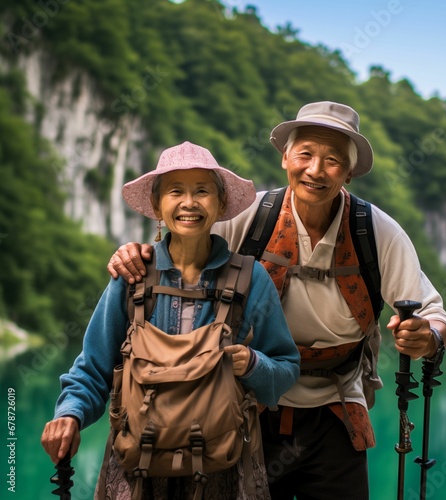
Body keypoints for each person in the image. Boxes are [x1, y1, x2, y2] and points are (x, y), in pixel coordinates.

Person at [107, 102, 446, 500]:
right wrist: (137, 254)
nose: (316, 169)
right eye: (305, 154)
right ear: (285, 156)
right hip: (245, 403)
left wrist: (428, 337)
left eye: (333, 161)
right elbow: (183, 250)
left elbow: (432, 314)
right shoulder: (250, 218)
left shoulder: (377, 233)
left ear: (350, 172)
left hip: (337, 406)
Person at [41, 141, 300, 499]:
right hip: (137, 467)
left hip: (224, 467)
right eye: (175, 191)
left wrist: (253, 363)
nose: (189, 203)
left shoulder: (250, 278)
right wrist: (69, 414)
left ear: (221, 203)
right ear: (157, 206)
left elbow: (286, 369)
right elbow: (94, 367)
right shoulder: (133, 276)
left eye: (202, 191)